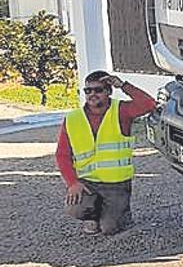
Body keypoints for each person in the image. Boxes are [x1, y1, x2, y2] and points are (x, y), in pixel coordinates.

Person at [55, 70, 155, 235]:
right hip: (88, 183)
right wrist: (73, 183)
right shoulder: (73, 119)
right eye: (88, 90)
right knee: (75, 208)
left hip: (116, 185)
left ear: (109, 91)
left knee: (110, 229)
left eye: (98, 90)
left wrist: (123, 85)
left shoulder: (121, 111)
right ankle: (92, 216)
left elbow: (149, 104)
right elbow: (62, 155)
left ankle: (121, 214)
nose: (92, 94)